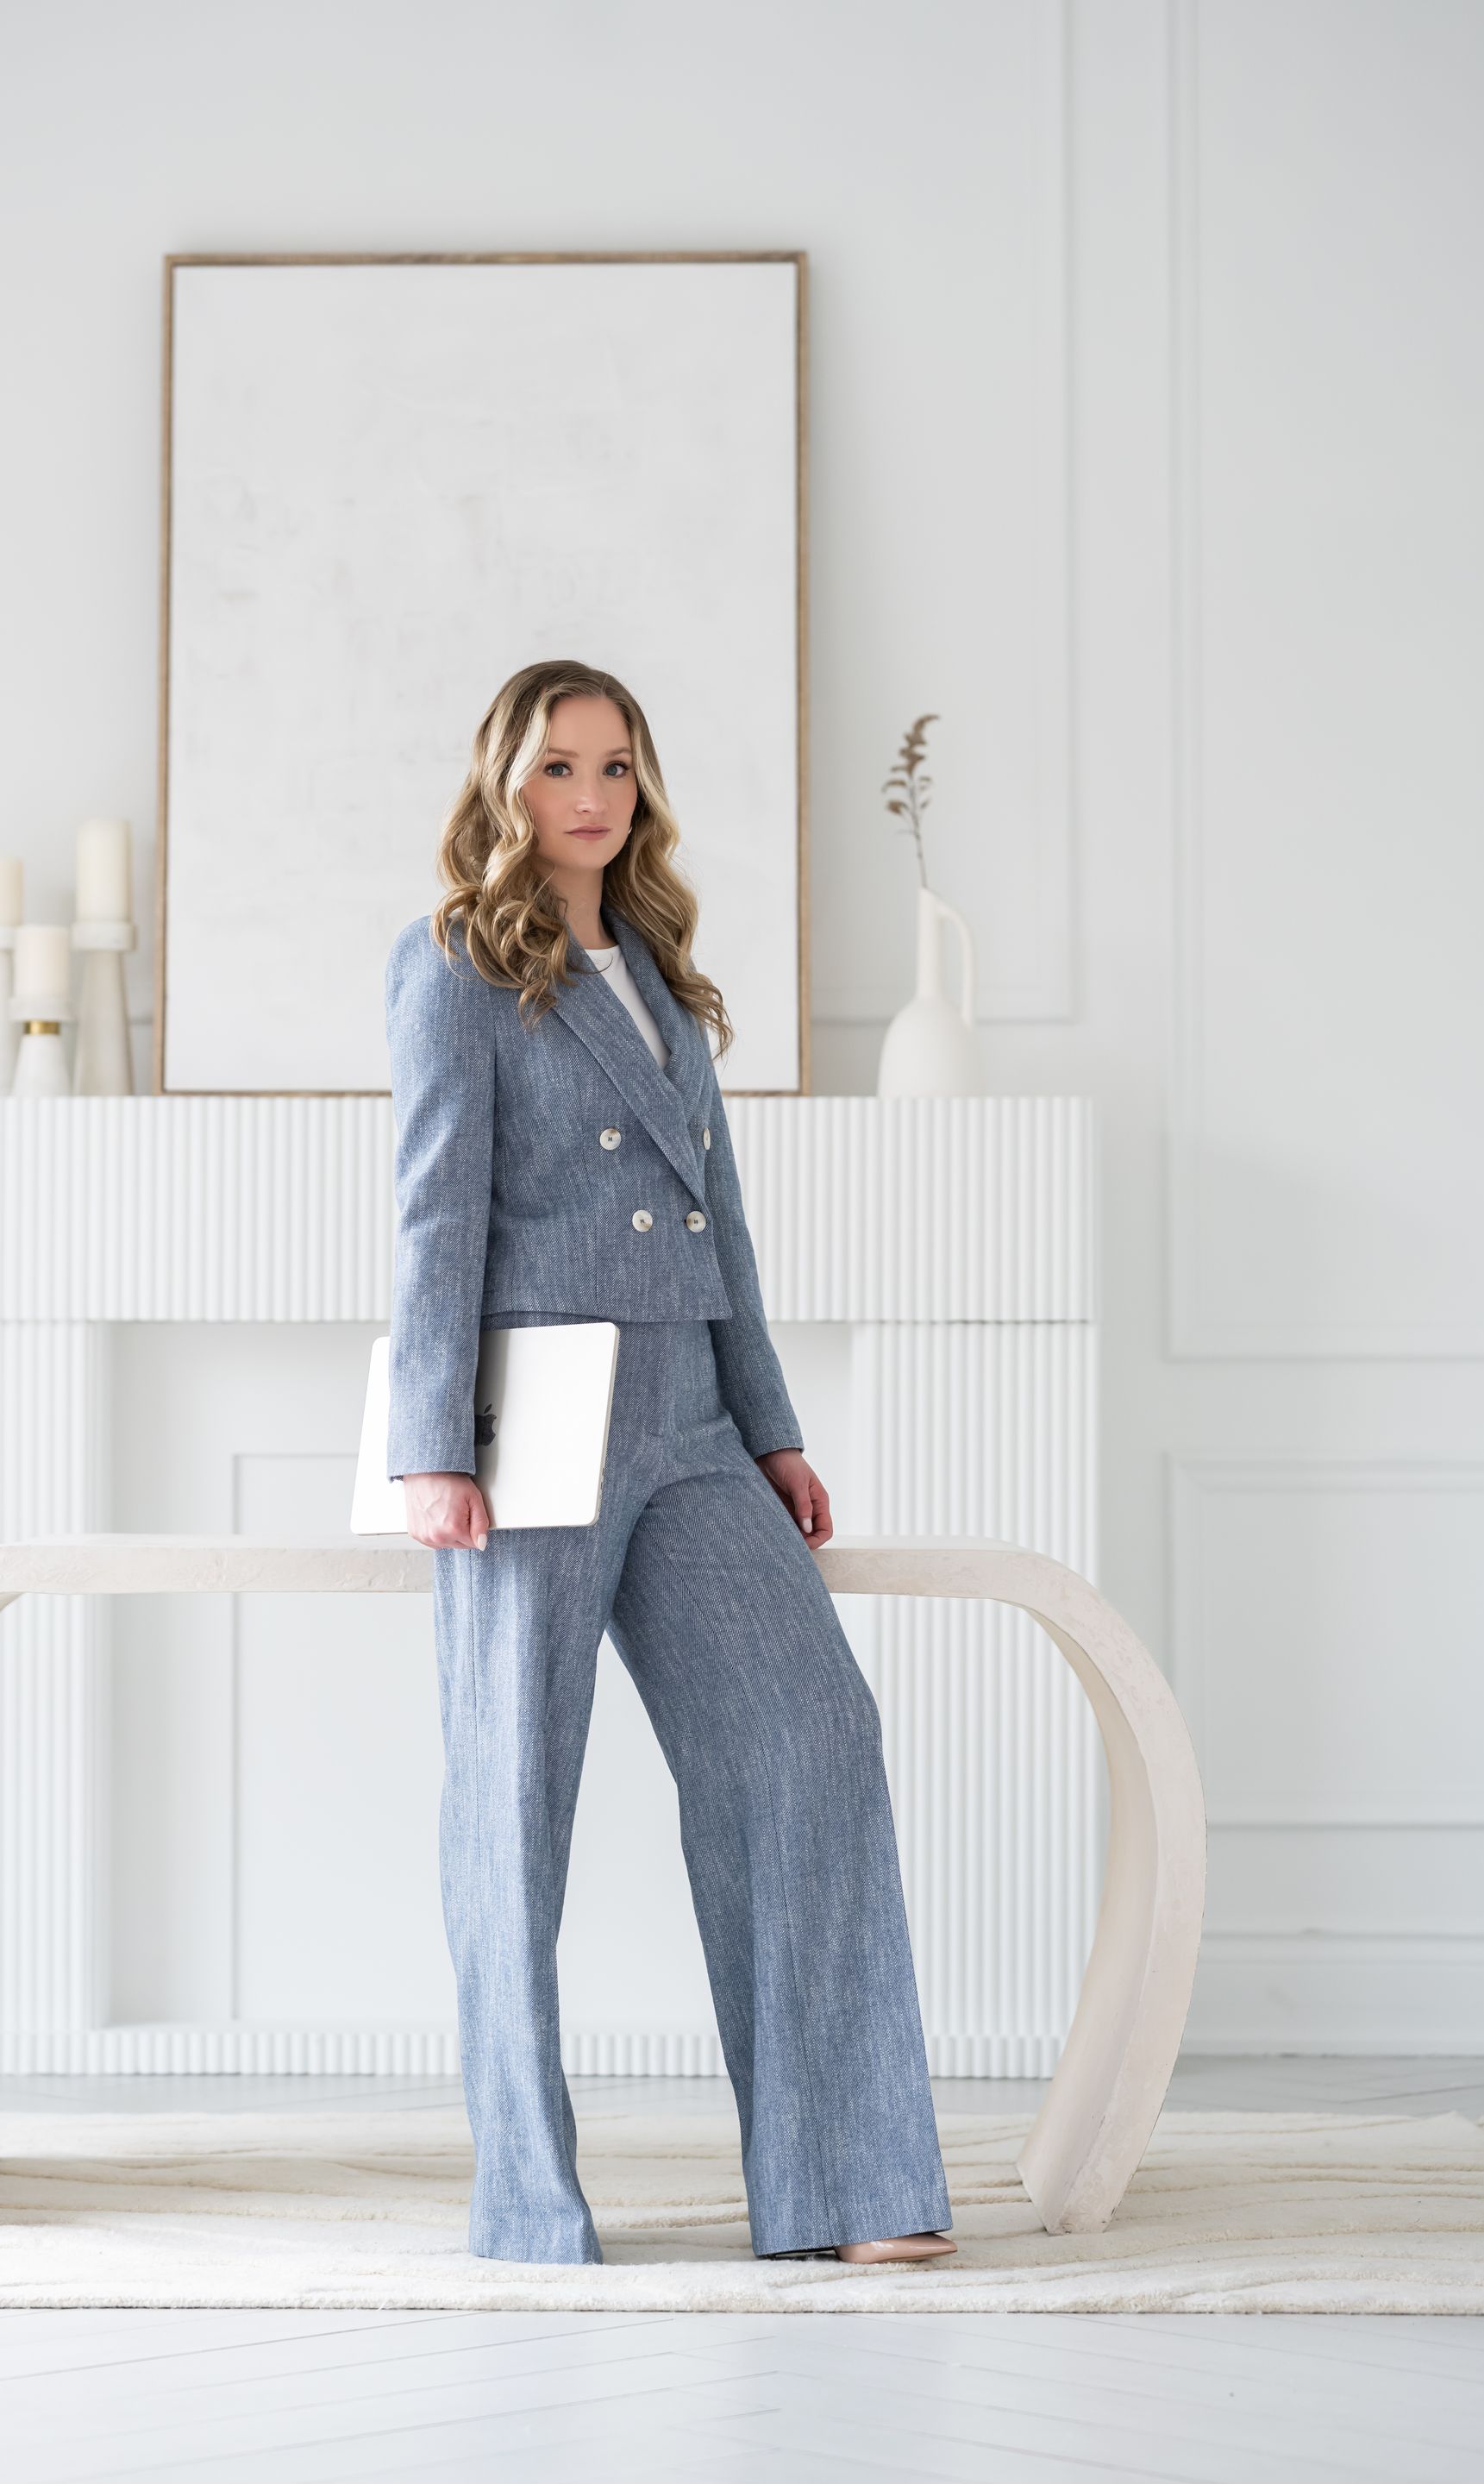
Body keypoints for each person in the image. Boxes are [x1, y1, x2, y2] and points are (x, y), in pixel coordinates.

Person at [384, 657, 956, 2269]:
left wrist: (770, 1429)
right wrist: (434, 1445)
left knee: (811, 1734)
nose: (592, 793)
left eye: (618, 766)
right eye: (561, 763)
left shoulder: (656, 967)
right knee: (514, 1799)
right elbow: (435, 1213)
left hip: (694, 1418)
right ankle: (528, 2203)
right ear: (506, 780)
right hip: (532, 1422)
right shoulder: (451, 970)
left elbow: (729, 1236)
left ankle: (850, 2187)